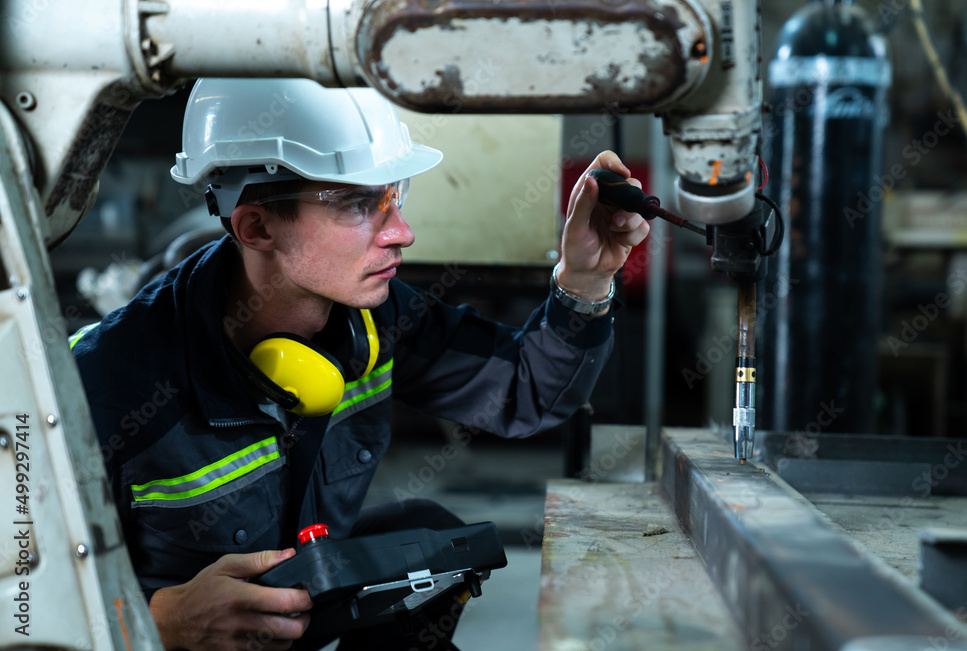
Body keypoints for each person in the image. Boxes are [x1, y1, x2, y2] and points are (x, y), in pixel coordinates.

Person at [71, 78, 650, 651]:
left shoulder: (370, 315)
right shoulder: (99, 387)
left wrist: (586, 279)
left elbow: (525, 390)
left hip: (299, 614)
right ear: (256, 225)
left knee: (429, 533)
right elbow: (18, 601)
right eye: (356, 204)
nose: (403, 233)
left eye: (394, 195)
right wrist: (153, 623)